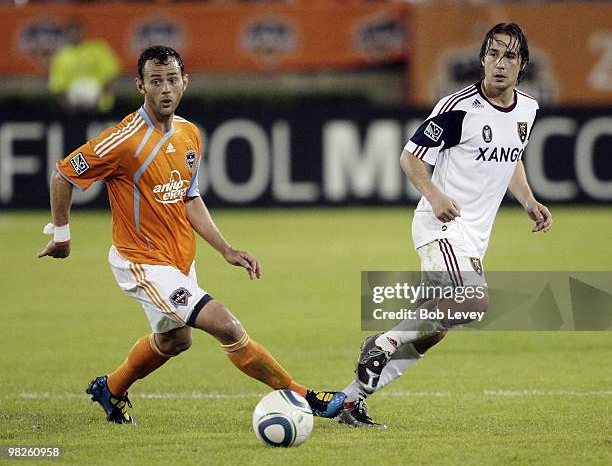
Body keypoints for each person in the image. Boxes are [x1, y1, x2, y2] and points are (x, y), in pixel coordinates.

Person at [38, 45, 345, 425]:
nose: (165, 89)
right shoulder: (123, 140)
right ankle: (307, 398)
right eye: (155, 81)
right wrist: (63, 234)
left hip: (179, 259)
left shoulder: (188, 134)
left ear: (185, 81)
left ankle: (111, 388)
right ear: (140, 86)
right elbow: (64, 174)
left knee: (175, 341)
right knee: (227, 326)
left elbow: (189, 197)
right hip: (143, 263)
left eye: (171, 79)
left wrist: (225, 249)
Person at [336, 23, 553, 428]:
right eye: (492, 53)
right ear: (482, 58)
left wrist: (528, 199)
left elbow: (512, 158)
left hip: (473, 237)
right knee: (474, 302)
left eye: (509, 56)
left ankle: (350, 401)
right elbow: (410, 157)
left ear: (522, 64)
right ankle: (381, 342)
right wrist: (435, 195)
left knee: (433, 331)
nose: (499, 63)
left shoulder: (528, 109)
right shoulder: (458, 108)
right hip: (441, 226)